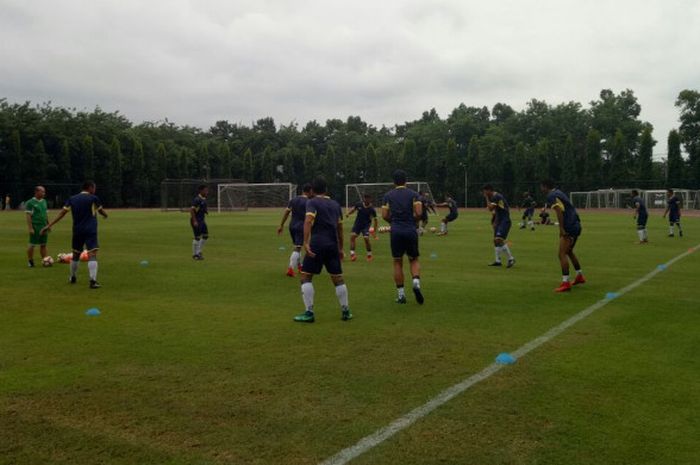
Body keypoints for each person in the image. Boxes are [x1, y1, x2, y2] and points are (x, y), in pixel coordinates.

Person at [294, 177, 351, 323]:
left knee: (306, 277)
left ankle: (309, 312)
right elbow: (340, 228)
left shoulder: (311, 202)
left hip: (317, 244)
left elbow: (307, 221)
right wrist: (341, 248)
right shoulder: (335, 205)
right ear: (326, 189)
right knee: (338, 278)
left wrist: (305, 243)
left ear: (312, 190)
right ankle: (345, 311)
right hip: (332, 245)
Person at [41, 181, 108, 288]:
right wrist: (106, 215)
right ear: (90, 188)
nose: (94, 190)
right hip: (90, 230)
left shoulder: (72, 198)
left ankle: (72, 277)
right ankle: (93, 281)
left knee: (76, 254)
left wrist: (50, 225)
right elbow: (101, 211)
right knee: (92, 254)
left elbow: (62, 213)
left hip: (77, 230)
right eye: (94, 188)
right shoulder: (93, 198)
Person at [382, 169, 424, 304]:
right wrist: (412, 221)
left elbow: (384, 215)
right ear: (406, 180)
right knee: (414, 259)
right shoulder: (414, 194)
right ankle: (416, 282)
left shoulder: (388, 196)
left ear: (394, 182)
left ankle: (401, 295)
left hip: (396, 231)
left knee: (397, 261)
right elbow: (419, 213)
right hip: (410, 230)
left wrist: (393, 222)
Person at [541, 179, 585, 292]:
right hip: (576, 223)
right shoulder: (559, 192)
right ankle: (579, 276)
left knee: (561, 254)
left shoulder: (551, 195)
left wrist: (561, 228)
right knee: (569, 251)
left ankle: (566, 283)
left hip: (569, 226)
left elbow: (559, 211)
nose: (541, 189)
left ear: (545, 187)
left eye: (542, 187)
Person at [278, 183, 312, 277]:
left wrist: (281, 225)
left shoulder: (293, 200)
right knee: (297, 248)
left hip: (292, 225)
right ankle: (290, 269)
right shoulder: (309, 202)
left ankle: (300, 266)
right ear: (310, 191)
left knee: (297, 246)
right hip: (301, 226)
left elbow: (286, 212)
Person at [483, 185, 515, 268]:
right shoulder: (495, 197)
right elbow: (496, 211)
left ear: (489, 190)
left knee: (498, 239)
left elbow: (490, 208)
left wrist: (486, 198)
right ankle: (498, 261)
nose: (485, 193)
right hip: (500, 221)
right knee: (495, 241)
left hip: (505, 221)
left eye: (485, 192)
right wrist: (495, 221)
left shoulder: (496, 197)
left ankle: (511, 259)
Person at [346, 194, 378, 262]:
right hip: (357, 224)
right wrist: (348, 213)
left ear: (370, 199)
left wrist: (374, 230)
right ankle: (352, 254)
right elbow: (353, 209)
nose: (367, 200)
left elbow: (375, 220)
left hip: (366, 226)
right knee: (352, 236)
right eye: (366, 198)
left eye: (368, 199)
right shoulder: (359, 204)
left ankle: (369, 255)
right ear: (364, 199)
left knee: (366, 238)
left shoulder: (372, 209)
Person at [25, 186, 49, 267]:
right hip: (35, 226)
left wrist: (48, 225)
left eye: (44, 192)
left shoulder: (44, 201)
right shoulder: (30, 203)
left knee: (43, 244)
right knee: (32, 244)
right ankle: (30, 261)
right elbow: (28, 216)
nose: (44, 193)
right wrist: (30, 228)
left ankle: (45, 260)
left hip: (44, 226)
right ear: (36, 192)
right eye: (42, 192)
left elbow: (45, 214)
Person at [191, 184, 209, 260]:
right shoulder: (197, 199)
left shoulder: (203, 199)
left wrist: (205, 211)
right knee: (197, 237)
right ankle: (195, 255)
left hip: (202, 220)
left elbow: (201, 208)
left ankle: (199, 252)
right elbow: (192, 210)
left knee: (205, 236)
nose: (207, 192)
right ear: (201, 191)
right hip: (196, 220)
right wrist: (195, 221)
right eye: (205, 190)